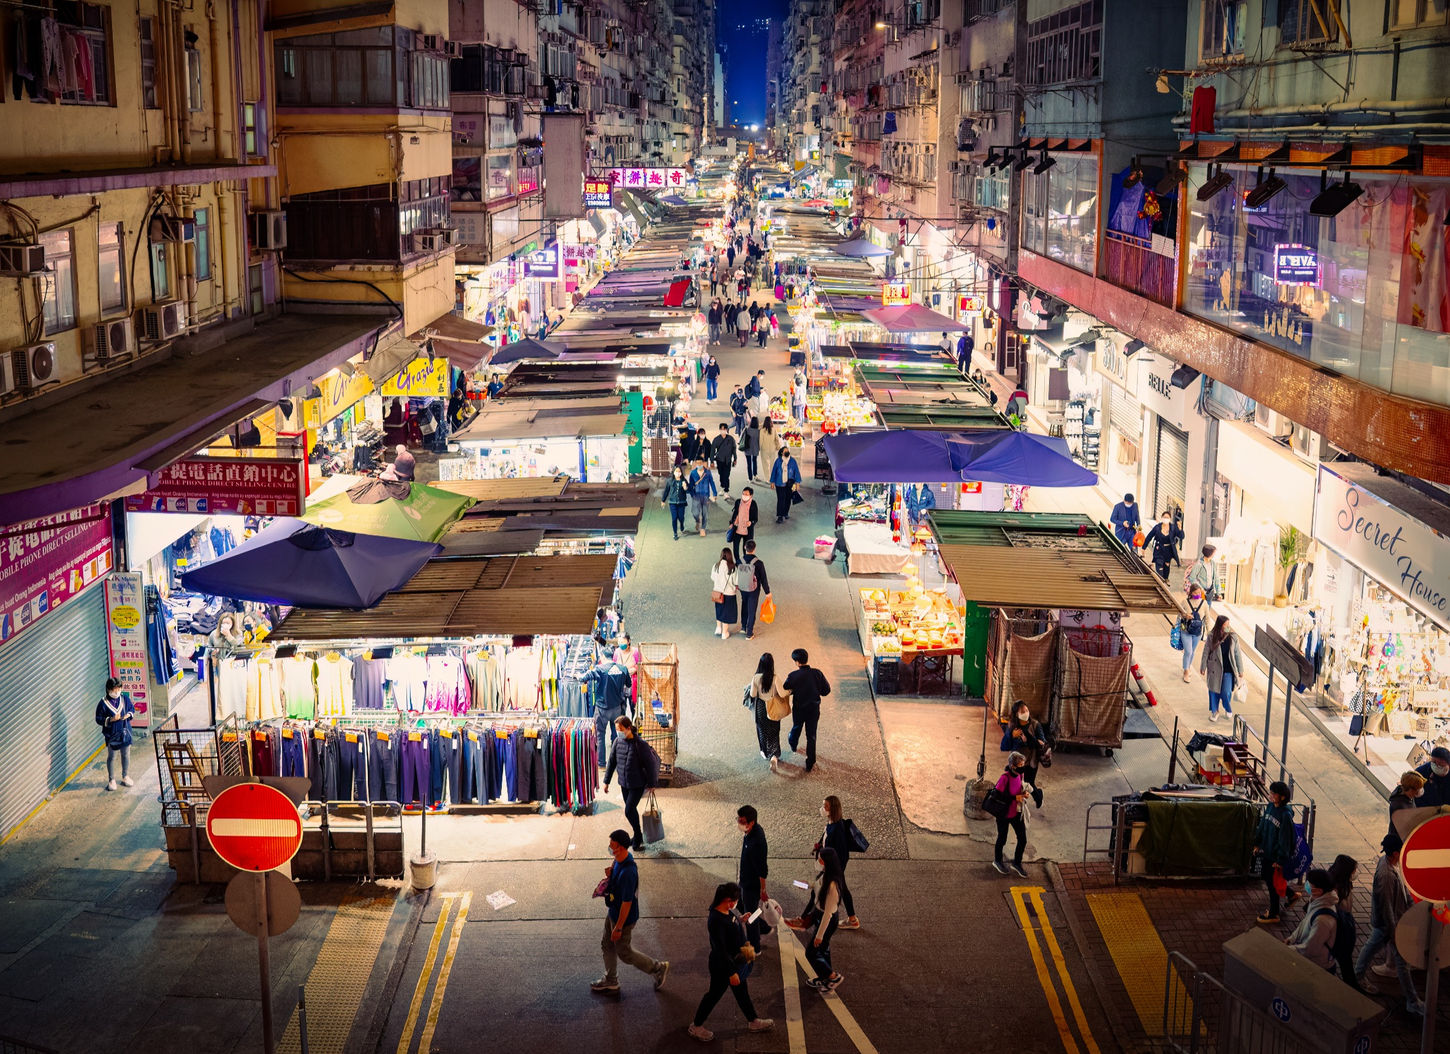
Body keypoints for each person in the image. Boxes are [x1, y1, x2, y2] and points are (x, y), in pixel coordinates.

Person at [686, 882, 774, 1041]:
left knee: (742, 993)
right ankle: (696, 1026)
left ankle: (753, 1021)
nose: (735, 903)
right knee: (713, 995)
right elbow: (720, 949)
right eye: (733, 901)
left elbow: (730, 923)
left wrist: (740, 920)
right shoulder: (715, 920)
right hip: (724, 966)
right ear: (726, 899)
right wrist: (731, 972)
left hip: (736, 962)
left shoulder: (726, 911)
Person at [591, 828, 670, 994]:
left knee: (625, 953)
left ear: (621, 847)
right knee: (607, 944)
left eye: (612, 845)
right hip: (613, 911)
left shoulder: (629, 873)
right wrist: (611, 873)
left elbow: (627, 903)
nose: (610, 848)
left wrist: (618, 927)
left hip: (623, 919)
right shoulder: (619, 860)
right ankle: (611, 980)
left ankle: (657, 968)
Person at [1354, 847, 1425, 1015]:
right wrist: (1394, 932)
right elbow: (1386, 907)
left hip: (1390, 924)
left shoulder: (1389, 864)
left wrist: (1410, 908)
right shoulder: (1386, 876)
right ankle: (1412, 1001)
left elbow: (1401, 890)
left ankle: (1358, 975)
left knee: (1376, 949)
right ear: (1394, 854)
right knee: (1401, 961)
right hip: (1389, 925)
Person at [602, 715, 653, 850]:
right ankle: (638, 836)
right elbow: (612, 762)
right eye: (617, 729)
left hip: (637, 784)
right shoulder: (617, 743)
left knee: (629, 810)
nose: (618, 732)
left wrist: (652, 784)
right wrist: (606, 781)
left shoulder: (640, 745)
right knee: (631, 810)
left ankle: (637, 837)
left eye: (620, 729)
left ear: (628, 728)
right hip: (624, 783)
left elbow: (650, 764)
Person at [1252, 780, 1299, 924]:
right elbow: (1262, 825)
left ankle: (1273, 913)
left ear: (1282, 797)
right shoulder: (1270, 807)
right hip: (1267, 851)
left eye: (1273, 793)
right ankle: (1291, 895)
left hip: (1275, 856)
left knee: (1272, 882)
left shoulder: (1285, 815)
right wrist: (1258, 843)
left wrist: (1280, 860)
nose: (1270, 795)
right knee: (1268, 878)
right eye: (1270, 792)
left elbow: (1285, 840)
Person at [802, 848, 848, 992]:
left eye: (820, 859)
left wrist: (819, 935)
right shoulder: (825, 875)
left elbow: (828, 914)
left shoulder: (833, 885)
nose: (818, 861)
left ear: (826, 862)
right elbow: (816, 886)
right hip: (820, 915)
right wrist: (803, 884)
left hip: (827, 920)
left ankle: (833, 977)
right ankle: (825, 979)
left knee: (811, 952)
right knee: (822, 950)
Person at [784, 648, 831, 773]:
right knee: (811, 735)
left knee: (797, 727)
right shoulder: (817, 673)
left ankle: (793, 744)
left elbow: (785, 687)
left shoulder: (793, 676)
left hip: (799, 709)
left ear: (797, 662)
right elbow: (826, 691)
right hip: (813, 709)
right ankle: (810, 763)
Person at [820, 796, 861, 929]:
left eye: (825, 806)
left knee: (836, 890)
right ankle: (851, 919)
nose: (822, 809)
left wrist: (835, 869)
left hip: (834, 867)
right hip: (832, 866)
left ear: (832, 809)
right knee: (841, 889)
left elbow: (842, 853)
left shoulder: (837, 829)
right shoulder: (833, 823)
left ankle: (849, 919)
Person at [1286, 869, 1339, 971]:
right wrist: (1292, 938)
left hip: (1318, 965)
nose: (1307, 885)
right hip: (1309, 958)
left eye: (1309, 884)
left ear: (1318, 890)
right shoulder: (1317, 900)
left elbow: (1310, 949)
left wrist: (1288, 950)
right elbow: (1305, 921)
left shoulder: (1322, 920)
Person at [1002, 701, 1051, 808]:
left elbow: (1042, 743)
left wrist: (1028, 738)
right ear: (1016, 714)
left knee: (1029, 783)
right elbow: (1004, 746)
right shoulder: (1012, 726)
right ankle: (1016, 806)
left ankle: (1038, 796)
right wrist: (1011, 735)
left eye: (1027, 710)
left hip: (1031, 761)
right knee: (1014, 783)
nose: (1026, 713)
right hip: (1016, 762)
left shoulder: (1035, 725)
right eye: (1022, 711)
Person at [990, 752, 1030, 878]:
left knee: (1022, 839)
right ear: (1013, 766)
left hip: (1016, 812)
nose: (1023, 767)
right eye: (1020, 765)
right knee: (1002, 838)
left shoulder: (1020, 775)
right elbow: (996, 795)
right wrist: (1014, 797)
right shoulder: (1004, 778)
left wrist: (1024, 793)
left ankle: (1016, 863)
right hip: (1003, 814)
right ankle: (997, 861)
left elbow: (1019, 788)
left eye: (1023, 764)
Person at [736, 806, 769, 953]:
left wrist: (763, 889)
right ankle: (764, 927)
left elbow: (762, 869)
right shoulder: (750, 832)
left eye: (742, 821)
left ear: (752, 822)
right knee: (741, 905)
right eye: (738, 819)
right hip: (744, 879)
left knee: (750, 917)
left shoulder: (757, 842)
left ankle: (755, 948)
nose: (739, 822)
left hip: (751, 884)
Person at [750, 652, 791, 771]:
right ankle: (774, 756)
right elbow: (783, 693)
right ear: (772, 664)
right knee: (774, 732)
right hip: (773, 708)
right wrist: (789, 691)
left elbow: (752, 694)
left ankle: (765, 752)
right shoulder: (775, 678)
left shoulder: (756, 678)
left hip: (761, 709)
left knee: (762, 732)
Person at [1199, 615, 1243, 722]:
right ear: (1220, 625)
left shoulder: (1233, 637)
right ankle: (1215, 712)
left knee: (1226, 691)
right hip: (1215, 667)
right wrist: (1203, 666)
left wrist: (1240, 670)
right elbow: (1206, 652)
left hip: (1228, 669)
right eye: (1225, 624)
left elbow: (1237, 654)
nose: (1228, 626)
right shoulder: (1211, 636)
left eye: (1228, 624)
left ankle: (1227, 708)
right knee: (1213, 691)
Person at [95, 677, 136, 791]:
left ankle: (125, 776)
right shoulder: (103, 703)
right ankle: (111, 779)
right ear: (109, 690)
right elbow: (98, 719)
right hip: (111, 734)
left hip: (125, 731)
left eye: (119, 689)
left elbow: (132, 709)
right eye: (114, 689)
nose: (117, 692)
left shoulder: (124, 699)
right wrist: (110, 719)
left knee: (126, 754)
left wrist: (128, 714)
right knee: (112, 756)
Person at [1383, 770, 1425, 852]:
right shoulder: (1399, 806)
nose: (1419, 791)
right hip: (1399, 843)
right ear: (1410, 790)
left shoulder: (1406, 794)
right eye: (1417, 789)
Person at [736, 537, 770, 639]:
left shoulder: (739, 561)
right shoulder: (758, 563)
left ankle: (743, 627)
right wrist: (767, 592)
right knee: (752, 609)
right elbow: (763, 578)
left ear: (744, 548)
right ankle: (749, 633)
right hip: (754, 589)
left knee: (744, 605)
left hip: (742, 587)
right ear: (754, 549)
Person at [1142, 511, 1183, 581]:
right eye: (1164, 517)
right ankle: (1160, 580)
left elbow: (1181, 536)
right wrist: (1144, 548)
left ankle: (1165, 579)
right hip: (1159, 549)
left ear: (1170, 519)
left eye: (1167, 517)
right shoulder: (1157, 527)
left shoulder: (1173, 528)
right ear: (1161, 518)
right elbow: (1149, 536)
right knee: (1159, 566)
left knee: (1166, 567)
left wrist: (1180, 529)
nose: (1166, 519)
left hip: (1169, 550)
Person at [1178, 587, 1208, 683]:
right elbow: (1179, 615)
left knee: (1192, 651)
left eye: (1199, 592)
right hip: (1186, 631)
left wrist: (1209, 632)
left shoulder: (1204, 603)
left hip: (1197, 632)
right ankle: (1186, 671)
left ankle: (1188, 666)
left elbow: (1207, 618)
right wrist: (1186, 615)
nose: (1197, 594)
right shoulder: (1185, 602)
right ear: (1191, 593)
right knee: (1188, 651)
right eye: (1195, 592)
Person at [712, 548, 740, 639]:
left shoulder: (716, 565)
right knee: (726, 613)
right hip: (729, 593)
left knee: (719, 610)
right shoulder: (732, 568)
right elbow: (736, 581)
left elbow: (713, 577)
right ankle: (724, 633)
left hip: (717, 592)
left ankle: (718, 628)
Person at [769, 446, 802, 524]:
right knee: (781, 499)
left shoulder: (792, 461)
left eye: (788, 451)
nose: (787, 452)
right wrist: (772, 482)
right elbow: (774, 472)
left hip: (790, 483)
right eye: (785, 451)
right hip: (780, 483)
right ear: (781, 453)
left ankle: (785, 513)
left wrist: (797, 483)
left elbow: (796, 472)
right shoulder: (778, 461)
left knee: (788, 499)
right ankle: (780, 516)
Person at [729, 487, 760, 564]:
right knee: (735, 548)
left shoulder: (753, 504)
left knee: (745, 548)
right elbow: (735, 514)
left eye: (746, 494)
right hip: (737, 529)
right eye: (743, 494)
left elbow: (755, 518)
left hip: (747, 530)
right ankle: (738, 562)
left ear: (751, 495)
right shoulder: (738, 502)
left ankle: (745, 562)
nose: (744, 496)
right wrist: (732, 523)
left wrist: (751, 522)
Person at [688, 458, 718, 536]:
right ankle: (697, 521)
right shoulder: (693, 473)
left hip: (705, 496)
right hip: (696, 496)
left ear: (703, 463)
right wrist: (692, 494)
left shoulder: (707, 472)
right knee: (695, 512)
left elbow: (712, 482)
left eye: (700, 463)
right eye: (697, 463)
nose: (699, 465)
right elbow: (691, 485)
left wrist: (715, 493)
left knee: (705, 513)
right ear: (695, 463)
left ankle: (703, 528)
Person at [1186, 545, 1221, 612]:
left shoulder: (1213, 563)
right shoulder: (1199, 564)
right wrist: (1201, 589)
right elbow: (1192, 578)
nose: (1214, 555)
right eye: (1214, 553)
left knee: (1207, 611)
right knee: (1200, 611)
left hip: (1210, 592)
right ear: (1209, 553)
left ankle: (1205, 622)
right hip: (1200, 592)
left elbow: (1216, 578)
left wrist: (1218, 593)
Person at [662, 465, 689, 540]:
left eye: (679, 471)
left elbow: (688, 490)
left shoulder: (684, 481)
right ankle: (675, 533)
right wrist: (663, 500)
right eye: (676, 471)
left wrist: (685, 487)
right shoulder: (670, 481)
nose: (678, 473)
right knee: (674, 518)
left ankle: (682, 525)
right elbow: (666, 491)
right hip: (672, 502)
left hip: (681, 502)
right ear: (673, 472)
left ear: (681, 472)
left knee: (681, 517)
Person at [712, 424, 738, 494]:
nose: (723, 431)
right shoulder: (716, 439)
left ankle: (726, 490)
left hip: (728, 460)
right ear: (719, 430)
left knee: (726, 475)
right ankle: (723, 486)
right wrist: (711, 460)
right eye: (721, 429)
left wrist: (735, 459)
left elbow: (734, 449)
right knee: (721, 474)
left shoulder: (731, 439)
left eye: (724, 429)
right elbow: (712, 450)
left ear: (727, 430)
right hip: (719, 460)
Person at [740, 416, 761, 482]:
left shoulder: (747, 429)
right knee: (754, 461)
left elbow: (741, 437)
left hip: (747, 448)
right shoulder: (758, 431)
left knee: (749, 464)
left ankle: (750, 478)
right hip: (755, 448)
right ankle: (755, 475)